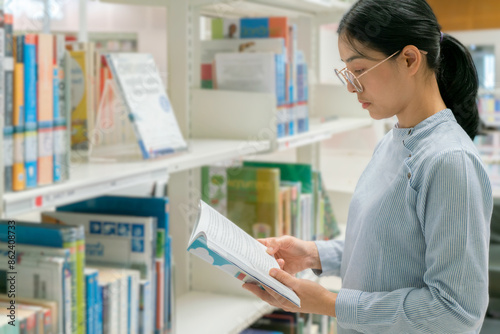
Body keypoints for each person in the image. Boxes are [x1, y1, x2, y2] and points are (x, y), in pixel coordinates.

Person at [242, 0, 493, 333]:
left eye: (359, 70)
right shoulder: (394, 140)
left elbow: (455, 311)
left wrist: (330, 304)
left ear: (409, 59)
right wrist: (314, 254)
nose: (350, 85)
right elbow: (391, 247)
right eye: (347, 71)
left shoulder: (449, 161)